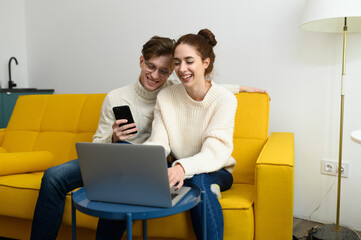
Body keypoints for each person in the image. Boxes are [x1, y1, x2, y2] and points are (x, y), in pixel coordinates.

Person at [30, 35, 266, 240]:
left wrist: (242, 88)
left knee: (196, 183)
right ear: (141, 61)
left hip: (164, 162)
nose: (156, 75)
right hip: (118, 157)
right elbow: (99, 147)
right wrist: (113, 138)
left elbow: (203, 87)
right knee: (54, 176)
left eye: (164, 71)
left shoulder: (174, 89)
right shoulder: (119, 97)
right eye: (151, 67)